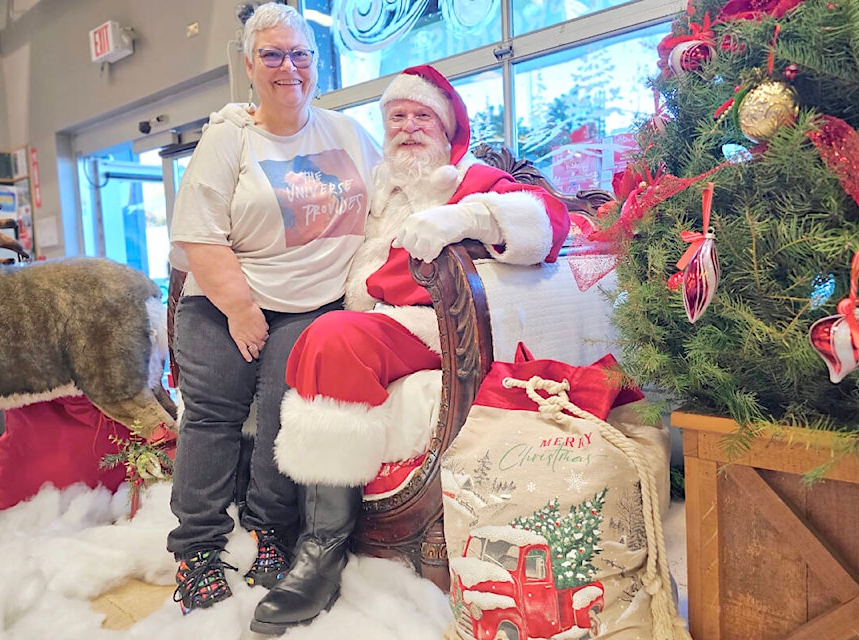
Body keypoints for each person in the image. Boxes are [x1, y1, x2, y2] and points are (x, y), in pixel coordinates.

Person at [249, 64, 570, 634]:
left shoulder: (471, 180)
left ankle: (321, 551)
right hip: (376, 320)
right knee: (306, 339)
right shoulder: (378, 190)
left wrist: (465, 216)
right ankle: (293, 525)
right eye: (397, 116)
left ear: (448, 129)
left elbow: (550, 219)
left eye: (423, 116)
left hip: (435, 330)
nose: (408, 127)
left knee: (329, 338)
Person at [165, 2, 381, 615]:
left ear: (316, 63)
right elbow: (199, 234)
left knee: (283, 415)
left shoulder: (344, 132)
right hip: (222, 297)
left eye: (301, 54)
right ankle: (197, 547)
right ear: (249, 64)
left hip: (313, 304)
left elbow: (393, 192)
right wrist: (239, 308)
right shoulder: (230, 135)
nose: (289, 66)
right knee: (212, 418)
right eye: (273, 54)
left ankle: (267, 530)